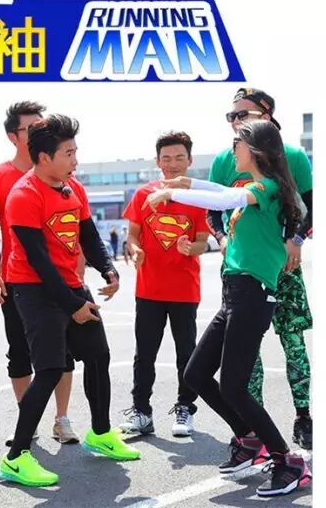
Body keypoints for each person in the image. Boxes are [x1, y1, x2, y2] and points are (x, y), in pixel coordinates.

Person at [144, 119, 312, 498]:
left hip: (253, 295)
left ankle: (288, 461)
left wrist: (174, 193)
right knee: (196, 374)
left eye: (238, 142)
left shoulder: (268, 187)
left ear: (255, 150)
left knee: (235, 387)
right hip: (234, 295)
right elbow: (221, 192)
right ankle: (249, 439)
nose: (232, 149)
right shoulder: (252, 188)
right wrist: (185, 183)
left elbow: (224, 201)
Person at [0, 114, 139, 488]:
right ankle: (16, 458)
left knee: (98, 356)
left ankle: (101, 433)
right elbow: (38, 260)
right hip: (35, 289)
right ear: (44, 157)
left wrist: (107, 269)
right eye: (69, 153)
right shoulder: (23, 195)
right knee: (49, 369)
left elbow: (88, 235)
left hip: (70, 285)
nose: (76, 159)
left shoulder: (72, 187)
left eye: (76, 151)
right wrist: (71, 305)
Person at [209, 88, 314, 449]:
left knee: (292, 341)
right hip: (241, 270)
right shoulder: (226, 160)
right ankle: (253, 428)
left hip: (284, 266)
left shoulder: (293, 156)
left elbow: (312, 206)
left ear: (266, 116)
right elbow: (213, 211)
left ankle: (304, 417)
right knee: (245, 354)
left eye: (243, 114)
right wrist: (222, 238)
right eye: (232, 116)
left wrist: (295, 240)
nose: (235, 121)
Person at [0, 101, 79, 446]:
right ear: (13, 136)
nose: (40, 129)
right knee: (19, 351)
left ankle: (62, 419)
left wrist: (80, 265)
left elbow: (76, 225)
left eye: (42, 124)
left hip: (61, 279)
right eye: (30, 127)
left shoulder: (62, 172)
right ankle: (28, 419)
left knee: (63, 353)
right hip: (18, 280)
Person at [120, 132, 209, 437]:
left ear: (190, 160)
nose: (172, 164)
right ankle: (141, 411)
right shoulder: (143, 194)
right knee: (144, 354)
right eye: (166, 158)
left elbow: (202, 242)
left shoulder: (198, 198)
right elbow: (132, 236)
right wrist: (135, 250)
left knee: (187, 354)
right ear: (157, 161)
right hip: (149, 290)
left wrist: (191, 248)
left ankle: (185, 408)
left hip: (184, 290)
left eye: (179, 157)